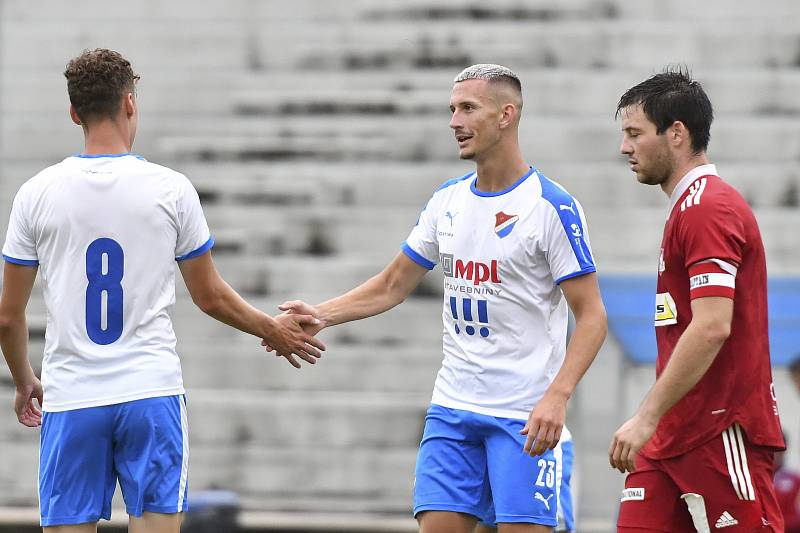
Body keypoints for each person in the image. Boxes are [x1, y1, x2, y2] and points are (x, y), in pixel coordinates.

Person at [269, 64, 607, 532]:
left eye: (468, 108)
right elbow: (393, 284)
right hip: (453, 409)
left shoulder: (551, 206)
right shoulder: (447, 201)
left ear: (506, 115)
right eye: (452, 109)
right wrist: (322, 315)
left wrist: (558, 396)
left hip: (522, 417)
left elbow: (592, 317)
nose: (454, 121)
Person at [0, 48, 324, 533]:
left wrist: (25, 380)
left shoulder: (35, 194)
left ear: (73, 113)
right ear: (130, 103)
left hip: (72, 397)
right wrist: (271, 329)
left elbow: (8, 316)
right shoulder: (171, 189)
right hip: (149, 392)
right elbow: (209, 295)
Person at [609, 67, 785, 532]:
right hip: (672, 431)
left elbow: (711, 326)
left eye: (634, 133)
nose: (625, 147)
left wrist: (644, 416)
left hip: (719, 429)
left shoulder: (709, 206)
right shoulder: (688, 208)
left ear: (677, 134)